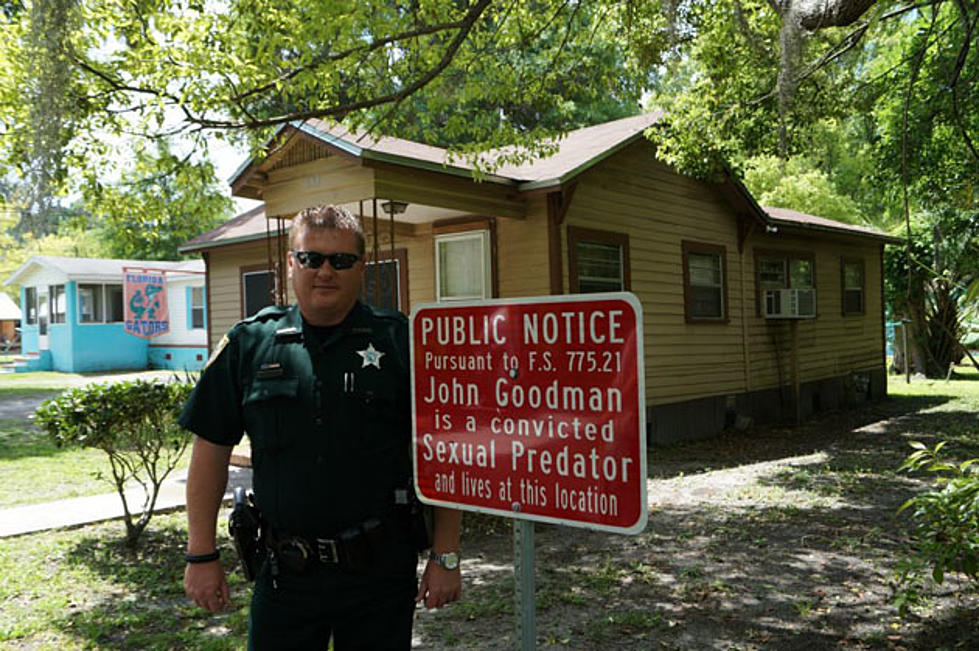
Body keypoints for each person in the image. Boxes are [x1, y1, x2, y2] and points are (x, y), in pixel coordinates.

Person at [181, 204, 462, 649]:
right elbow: (210, 450)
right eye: (311, 258)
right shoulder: (249, 344)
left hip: (379, 574)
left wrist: (445, 554)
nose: (325, 271)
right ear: (290, 263)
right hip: (285, 575)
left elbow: (441, 449)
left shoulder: (400, 341)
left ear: (361, 267)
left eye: (341, 260)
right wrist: (201, 552)